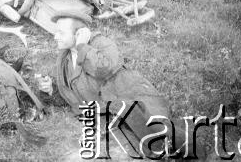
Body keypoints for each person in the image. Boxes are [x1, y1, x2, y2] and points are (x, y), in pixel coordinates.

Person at [37, 10, 196, 158]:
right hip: (109, 113)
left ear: (79, 34)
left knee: (156, 127)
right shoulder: (64, 59)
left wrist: (82, 46)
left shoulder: (101, 43)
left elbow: (103, 70)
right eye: (56, 31)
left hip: (131, 94)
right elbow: (75, 94)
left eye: (61, 33)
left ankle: (197, 151)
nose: (55, 36)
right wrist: (52, 90)